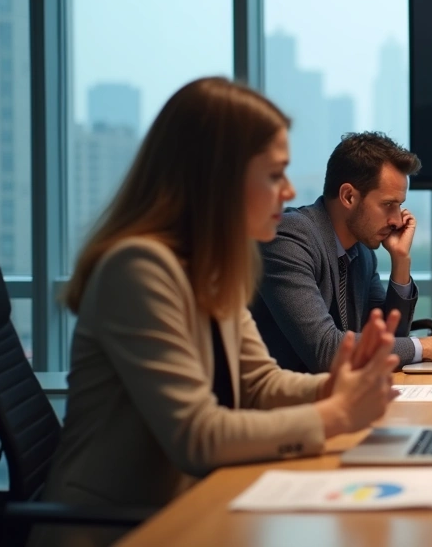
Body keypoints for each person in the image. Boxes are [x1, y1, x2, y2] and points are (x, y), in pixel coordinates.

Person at [36, 78, 400, 546]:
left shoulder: (211, 268)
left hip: (196, 505)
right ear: (216, 177)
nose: (289, 191)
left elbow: (258, 383)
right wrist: (336, 413)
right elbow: (197, 434)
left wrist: (338, 384)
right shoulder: (139, 268)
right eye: (274, 175)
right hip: (124, 527)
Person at [251, 132, 432, 373]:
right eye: (388, 205)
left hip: (335, 396)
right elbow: (326, 351)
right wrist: (425, 347)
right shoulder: (288, 239)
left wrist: (401, 261)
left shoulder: (361, 252)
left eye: (400, 206)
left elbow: (388, 339)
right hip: (275, 404)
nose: (397, 220)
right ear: (348, 196)